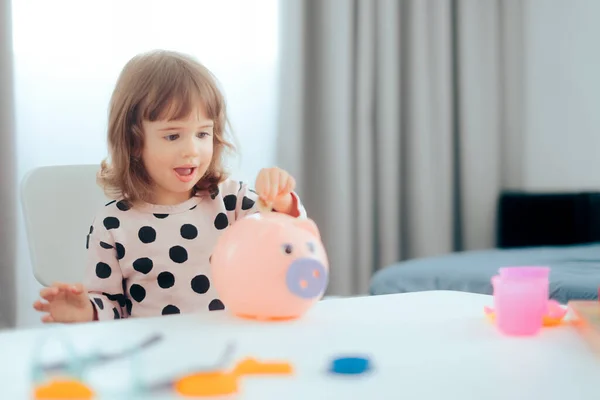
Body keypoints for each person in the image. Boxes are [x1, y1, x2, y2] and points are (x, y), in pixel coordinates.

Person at [32, 50, 306, 323]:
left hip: (229, 349)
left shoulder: (232, 200)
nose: (192, 150)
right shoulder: (112, 224)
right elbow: (111, 305)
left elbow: (292, 243)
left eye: (202, 133)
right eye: (173, 135)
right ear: (134, 143)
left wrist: (281, 202)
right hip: (155, 355)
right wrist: (87, 310)